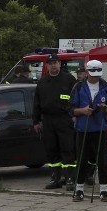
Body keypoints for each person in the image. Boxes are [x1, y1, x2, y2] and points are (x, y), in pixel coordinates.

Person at [70, 60, 107, 202]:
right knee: (81, 159)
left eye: (98, 74)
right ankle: (79, 189)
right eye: (93, 74)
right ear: (86, 72)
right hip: (82, 128)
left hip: (100, 128)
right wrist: (82, 111)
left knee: (102, 160)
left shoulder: (105, 86)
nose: (96, 77)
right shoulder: (78, 87)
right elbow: (70, 110)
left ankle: (104, 190)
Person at [33, 53, 77, 189]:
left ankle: (70, 179)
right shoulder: (42, 82)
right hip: (48, 120)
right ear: (47, 65)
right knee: (51, 150)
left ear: (59, 64)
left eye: (55, 63)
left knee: (68, 149)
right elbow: (37, 103)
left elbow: (76, 98)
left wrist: (75, 114)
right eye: (50, 63)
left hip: (65, 119)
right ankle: (55, 179)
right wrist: (36, 121)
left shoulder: (69, 79)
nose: (53, 65)